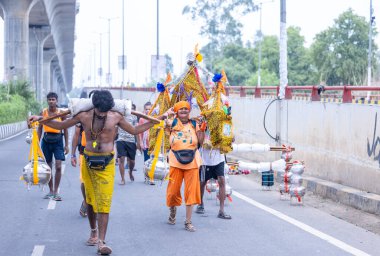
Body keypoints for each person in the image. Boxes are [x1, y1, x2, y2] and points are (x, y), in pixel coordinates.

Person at [29, 90, 169, 255]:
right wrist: (40, 119)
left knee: (104, 202)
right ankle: (93, 230)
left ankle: (101, 242)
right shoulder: (84, 115)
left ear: (110, 108)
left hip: (107, 163)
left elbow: (134, 130)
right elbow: (60, 125)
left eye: (105, 112)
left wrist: (156, 121)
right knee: (89, 200)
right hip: (87, 161)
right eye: (99, 111)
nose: (102, 114)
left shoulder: (116, 116)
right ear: (94, 107)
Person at [165, 101, 206, 232]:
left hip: (192, 161)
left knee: (191, 192)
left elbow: (200, 142)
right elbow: (162, 122)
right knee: (172, 192)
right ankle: (172, 210)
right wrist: (168, 115)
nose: (183, 110)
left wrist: (202, 129)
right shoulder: (171, 122)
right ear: (176, 111)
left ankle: (188, 221)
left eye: (186, 109)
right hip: (175, 161)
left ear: (189, 111)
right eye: (180, 109)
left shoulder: (194, 124)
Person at [37, 92, 69, 201]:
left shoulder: (61, 113)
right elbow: (40, 128)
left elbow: (65, 128)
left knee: (59, 166)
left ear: (56, 101)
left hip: (58, 140)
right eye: (49, 99)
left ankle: (56, 191)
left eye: (53, 99)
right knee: (48, 167)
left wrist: (67, 145)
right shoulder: (43, 112)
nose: (51, 101)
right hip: (46, 140)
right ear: (47, 101)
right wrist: (37, 143)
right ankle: (50, 191)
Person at [195, 147, 232, 219]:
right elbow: (199, 140)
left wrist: (230, 139)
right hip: (205, 160)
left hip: (219, 159)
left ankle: (221, 211)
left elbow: (231, 138)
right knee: (202, 182)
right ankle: (200, 203)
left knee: (222, 180)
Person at [116, 103, 140, 185]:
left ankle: (130, 171)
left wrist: (138, 143)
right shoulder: (120, 116)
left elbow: (137, 130)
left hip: (131, 141)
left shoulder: (134, 117)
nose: (131, 110)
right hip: (121, 140)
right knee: (121, 159)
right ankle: (122, 179)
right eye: (130, 108)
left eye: (133, 108)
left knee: (132, 161)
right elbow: (115, 129)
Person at [71, 123, 88, 217]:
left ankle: (98, 207)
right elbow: (76, 135)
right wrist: (73, 154)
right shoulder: (82, 113)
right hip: (84, 153)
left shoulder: (106, 112)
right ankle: (86, 201)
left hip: (101, 153)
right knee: (84, 181)